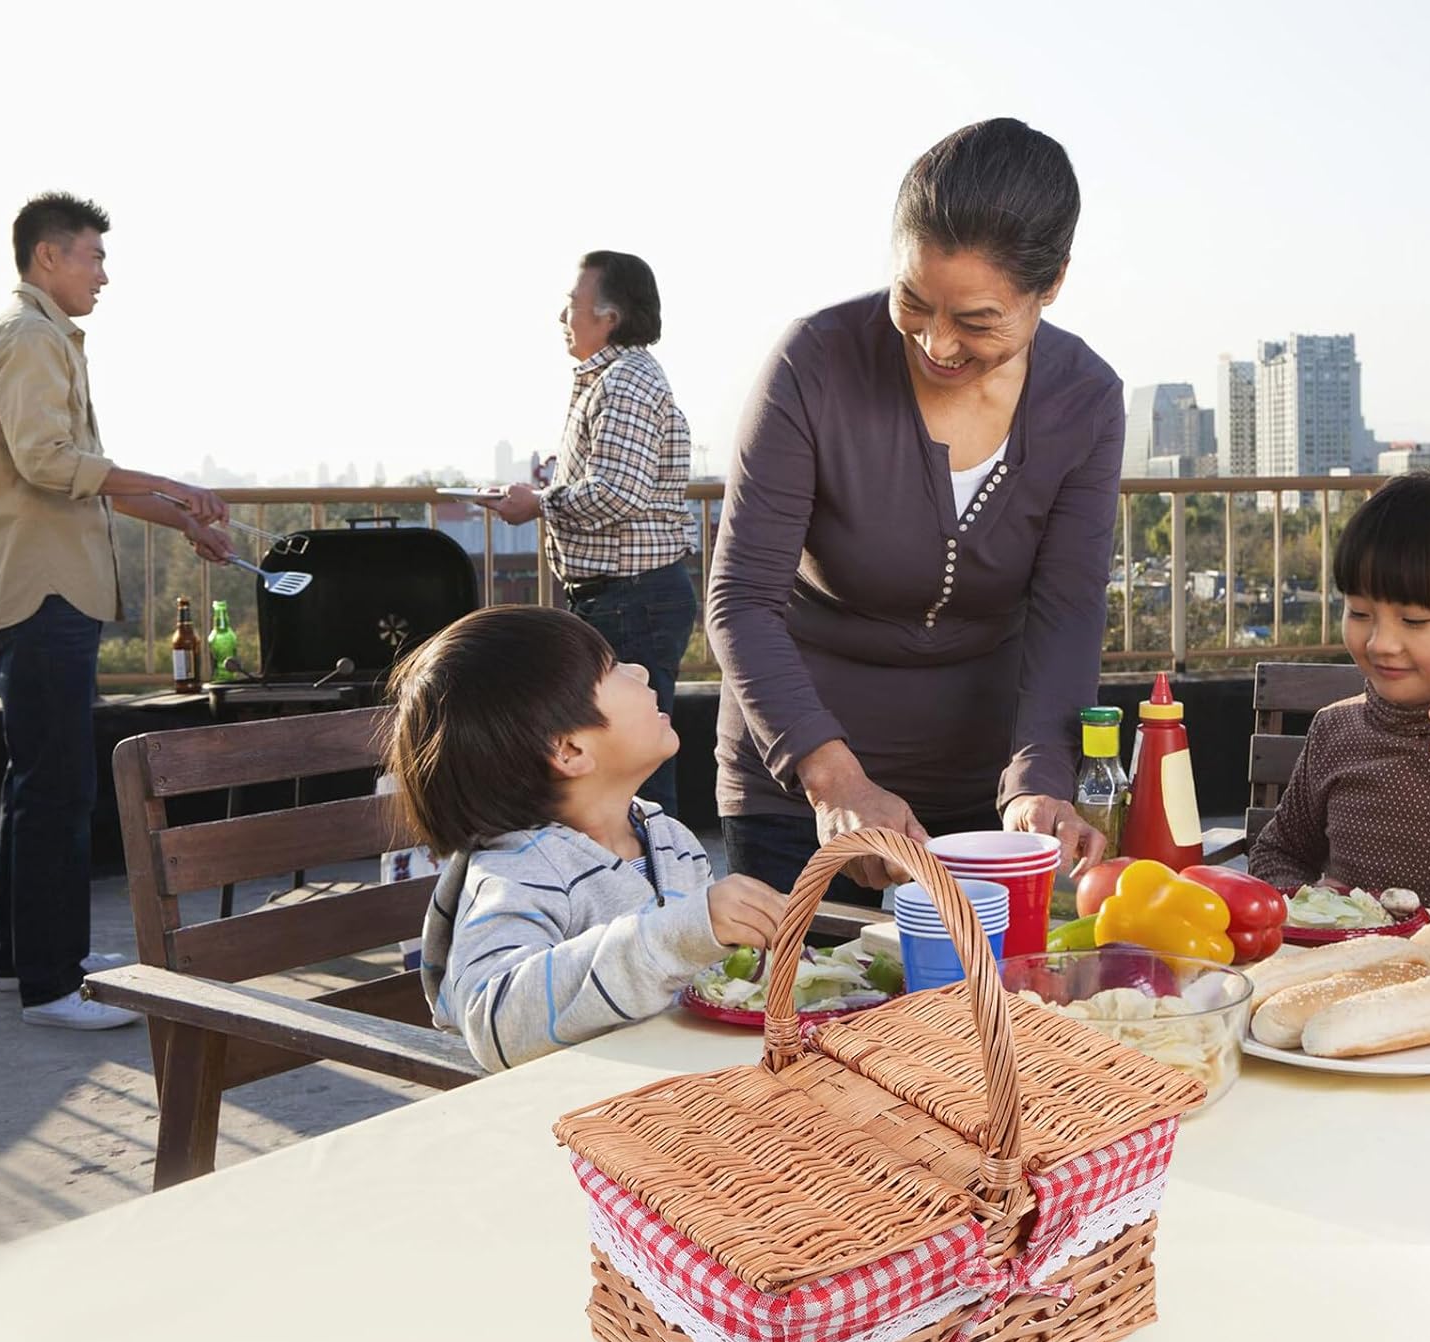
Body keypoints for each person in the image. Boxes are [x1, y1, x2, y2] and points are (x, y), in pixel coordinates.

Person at [707, 119, 1124, 902]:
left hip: (980, 799)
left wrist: (1038, 780)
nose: (937, 343)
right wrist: (833, 781)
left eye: (977, 321)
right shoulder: (814, 362)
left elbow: (1066, 611)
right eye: (914, 302)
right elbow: (742, 599)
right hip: (801, 786)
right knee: (803, 1015)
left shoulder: (1086, 399)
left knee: (971, 1021)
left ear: (1053, 283)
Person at [0, 192, 235, 1030]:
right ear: (49, 257)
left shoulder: (42, 337)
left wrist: (178, 516)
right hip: (42, 588)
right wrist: (168, 484)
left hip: (42, 582)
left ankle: (23, 962)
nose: (103, 275)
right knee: (60, 787)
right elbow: (50, 463)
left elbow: (75, 474)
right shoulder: (30, 338)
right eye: (93, 257)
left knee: (33, 780)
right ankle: (54, 982)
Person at [383, 606, 785, 1071]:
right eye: (611, 669)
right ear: (571, 750)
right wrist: (677, 936)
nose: (638, 670)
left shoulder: (669, 838)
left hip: (685, 1102)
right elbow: (494, 1021)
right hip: (578, 1122)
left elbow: (702, 982)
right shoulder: (516, 871)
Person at [483, 251, 698, 814]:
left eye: (572, 305)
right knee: (624, 762)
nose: (563, 317)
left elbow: (615, 493)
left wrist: (539, 504)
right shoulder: (614, 377)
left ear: (610, 316)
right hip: (625, 599)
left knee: (633, 768)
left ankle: (656, 892)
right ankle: (648, 889)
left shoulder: (624, 380)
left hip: (631, 599)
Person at [1250, 475, 1430, 904]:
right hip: (1349, 965)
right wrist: (1310, 903)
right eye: (1359, 612)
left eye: (1413, 620)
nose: (1380, 644)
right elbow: (1278, 850)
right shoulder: (1336, 732)